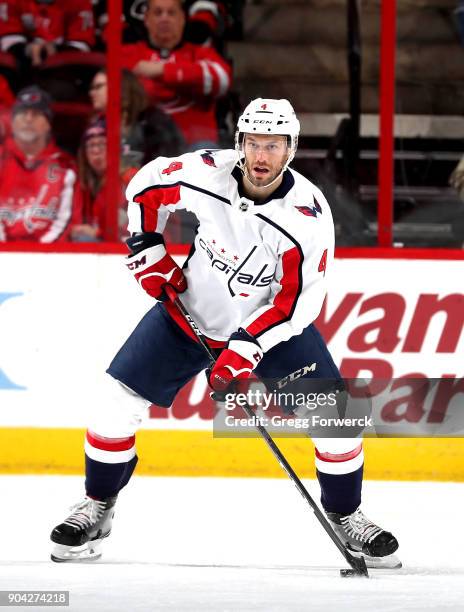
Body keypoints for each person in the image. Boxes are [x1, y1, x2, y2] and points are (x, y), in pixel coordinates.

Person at [50, 98, 399, 568]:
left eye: (273, 145)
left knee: (337, 419)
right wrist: (147, 246)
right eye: (253, 143)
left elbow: (297, 303)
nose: (261, 155)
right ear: (239, 143)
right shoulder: (206, 172)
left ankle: (347, 514)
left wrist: (246, 347)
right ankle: (98, 506)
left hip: (272, 332)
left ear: (290, 149)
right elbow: (145, 186)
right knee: (117, 401)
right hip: (189, 312)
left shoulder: (308, 217)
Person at [122, 0, 232, 148]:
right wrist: (188, 79)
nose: (164, 18)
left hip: (193, 147)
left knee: (205, 152)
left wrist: (161, 71)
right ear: (146, 19)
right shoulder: (127, 53)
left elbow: (223, 80)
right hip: (143, 146)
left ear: (183, 19)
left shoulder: (200, 53)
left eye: (171, 13)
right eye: (158, 12)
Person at [0, 85, 78, 242]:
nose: (28, 119)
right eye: (23, 113)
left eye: (36, 114)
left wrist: (40, 254)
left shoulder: (65, 165)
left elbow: (67, 222)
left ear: (48, 124)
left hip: (49, 259)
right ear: (13, 122)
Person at [71, 119, 132, 242]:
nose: (96, 151)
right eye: (90, 145)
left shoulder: (130, 178)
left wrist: (97, 233)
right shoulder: (85, 184)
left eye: (102, 144)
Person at [0, 1, 95, 67]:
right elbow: (9, 40)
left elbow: (80, 45)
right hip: (21, 66)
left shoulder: (79, 2)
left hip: (63, 70)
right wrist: (29, 50)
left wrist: (54, 51)